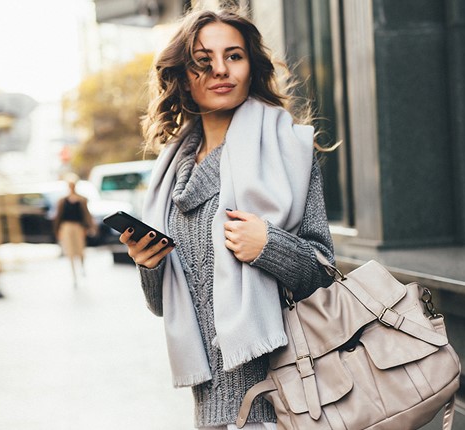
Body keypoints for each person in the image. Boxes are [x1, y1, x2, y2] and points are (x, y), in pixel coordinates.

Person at [121, 7, 336, 430]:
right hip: (212, 411)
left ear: (251, 66)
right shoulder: (170, 174)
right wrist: (150, 264)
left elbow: (324, 274)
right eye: (203, 61)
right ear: (182, 75)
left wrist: (269, 246)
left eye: (233, 56)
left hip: (288, 401)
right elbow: (163, 305)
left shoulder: (288, 150)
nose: (221, 70)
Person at [53, 175, 96, 288]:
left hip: (78, 227)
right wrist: (58, 231)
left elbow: (86, 215)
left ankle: (82, 267)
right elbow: (59, 217)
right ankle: (74, 275)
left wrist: (87, 227)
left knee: (80, 249)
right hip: (66, 227)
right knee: (70, 251)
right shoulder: (62, 201)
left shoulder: (81, 199)